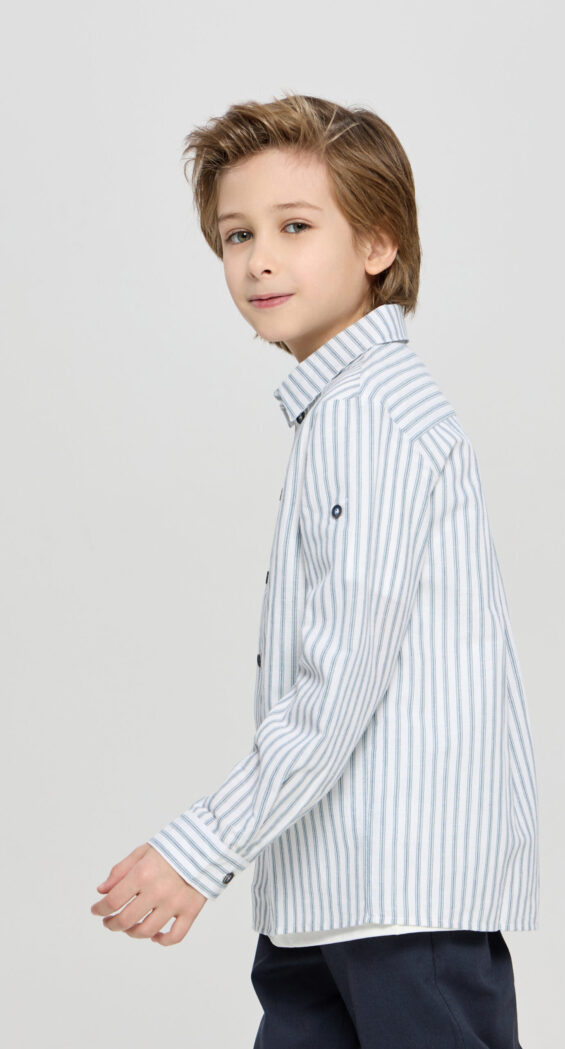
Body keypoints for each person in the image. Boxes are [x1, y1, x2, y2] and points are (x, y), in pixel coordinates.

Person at [90, 92, 540, 1048]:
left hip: (401, 905)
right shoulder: (342, 412)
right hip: (330, 894)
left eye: (295, 226)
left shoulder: (372, 419)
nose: (259, 259)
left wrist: (200, 846)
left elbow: (340, 683)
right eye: (237, 234)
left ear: (377, 243)